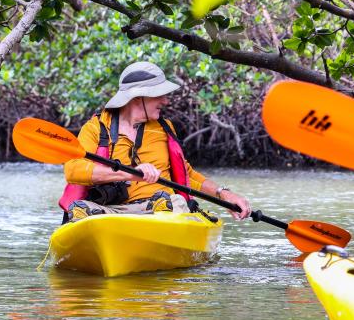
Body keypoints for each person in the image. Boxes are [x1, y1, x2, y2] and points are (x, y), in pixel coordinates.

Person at [60, 61, 252, 223]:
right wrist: (131, 174)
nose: (166, 101)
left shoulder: (164, 128)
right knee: (80, 209)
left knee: (173, 201)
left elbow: (187, 175)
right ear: (138, 97)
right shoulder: (96, 127)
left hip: (161, 209)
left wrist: (223, 193)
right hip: (112, 213)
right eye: (159, 94)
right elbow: (73, 170)